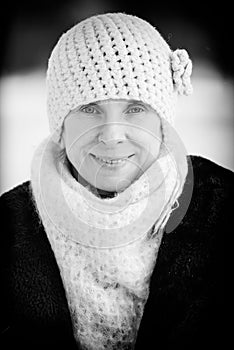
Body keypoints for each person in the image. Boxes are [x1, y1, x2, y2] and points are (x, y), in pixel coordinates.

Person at [0, 12, 232, 350]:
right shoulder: (8, 227)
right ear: (61, 128)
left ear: (163, 125)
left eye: (135, 109)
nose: (111, 135)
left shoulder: (221, 210)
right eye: (90, 108)